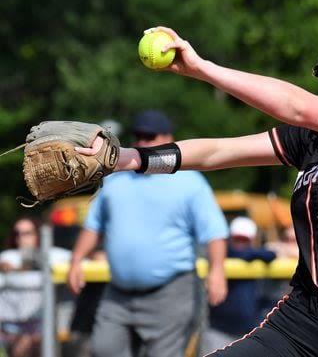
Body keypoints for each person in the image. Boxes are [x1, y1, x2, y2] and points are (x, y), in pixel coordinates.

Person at [78, 28, 318, 357]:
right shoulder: (315, 141)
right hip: (303, 322)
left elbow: (297, 108)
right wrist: (126, 158)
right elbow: (218, 151)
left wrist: (203, 69)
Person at [67, 109, 229, 357]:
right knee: (104, 348)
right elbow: (94, 226)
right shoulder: (115, 179)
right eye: (138, 136)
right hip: (118, 292)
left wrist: (217, 269)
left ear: (168, 138)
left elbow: (214, 231)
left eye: (150, 136)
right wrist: (76, 260)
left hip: (171, 291)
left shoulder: (190, 180)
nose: (143, 142)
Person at [202, 216, 277, 354]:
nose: (240, 244)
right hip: (219, 330)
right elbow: (241, 254)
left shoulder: (255, 256)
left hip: (248, 332)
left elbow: (271, 255)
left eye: (245, 240)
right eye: (237, 239)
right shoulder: (222, 256)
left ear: (252, 240)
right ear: (230, 238)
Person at [0, 215, 71, 357]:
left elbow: (77, 260)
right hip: (13, 327)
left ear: (38, 234)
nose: (21, 237)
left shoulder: (54, 255)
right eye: (17, 233)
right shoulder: (7, 257)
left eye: (27, 233)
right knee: (24, 345)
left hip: (45, 325)